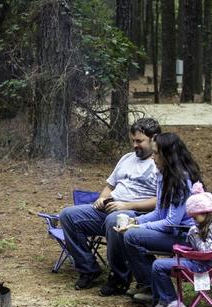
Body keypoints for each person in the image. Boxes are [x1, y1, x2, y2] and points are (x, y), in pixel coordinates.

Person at [59, 118, 161, 292]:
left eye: (139, 141)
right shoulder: (127, 158)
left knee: (115, 220)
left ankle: (119, 278)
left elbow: (160, 201)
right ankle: (88, 269)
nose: (135, 145)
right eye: (133, 140)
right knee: (67, 215)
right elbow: (110, 185)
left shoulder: (159, 164)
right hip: (109, 208)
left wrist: (127, 206)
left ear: (154, 138)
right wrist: (102, 198)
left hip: (136, 216)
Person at [115, 132, 202, 299]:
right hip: (175, 231)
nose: (153, 157)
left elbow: (171, 222)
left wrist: (138, 227)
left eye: (156, 153)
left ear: (167, 155)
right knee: (129, 233)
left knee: (132, 236)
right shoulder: (164, 175)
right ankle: (148, 285)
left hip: (186, 236)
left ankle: (153, 289)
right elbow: (158, 213)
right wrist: (135, 220)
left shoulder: (181, 180)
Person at [144, 182, 212, 307]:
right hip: (200, 262)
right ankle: (165, 301)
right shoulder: (211, 224)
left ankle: (173, 304)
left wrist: (193, 235)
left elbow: (206, 251)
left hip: (203, 266)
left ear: (205, 212)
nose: (194, 221)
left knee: (158, 266)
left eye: (195, 217)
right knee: (157, 265)